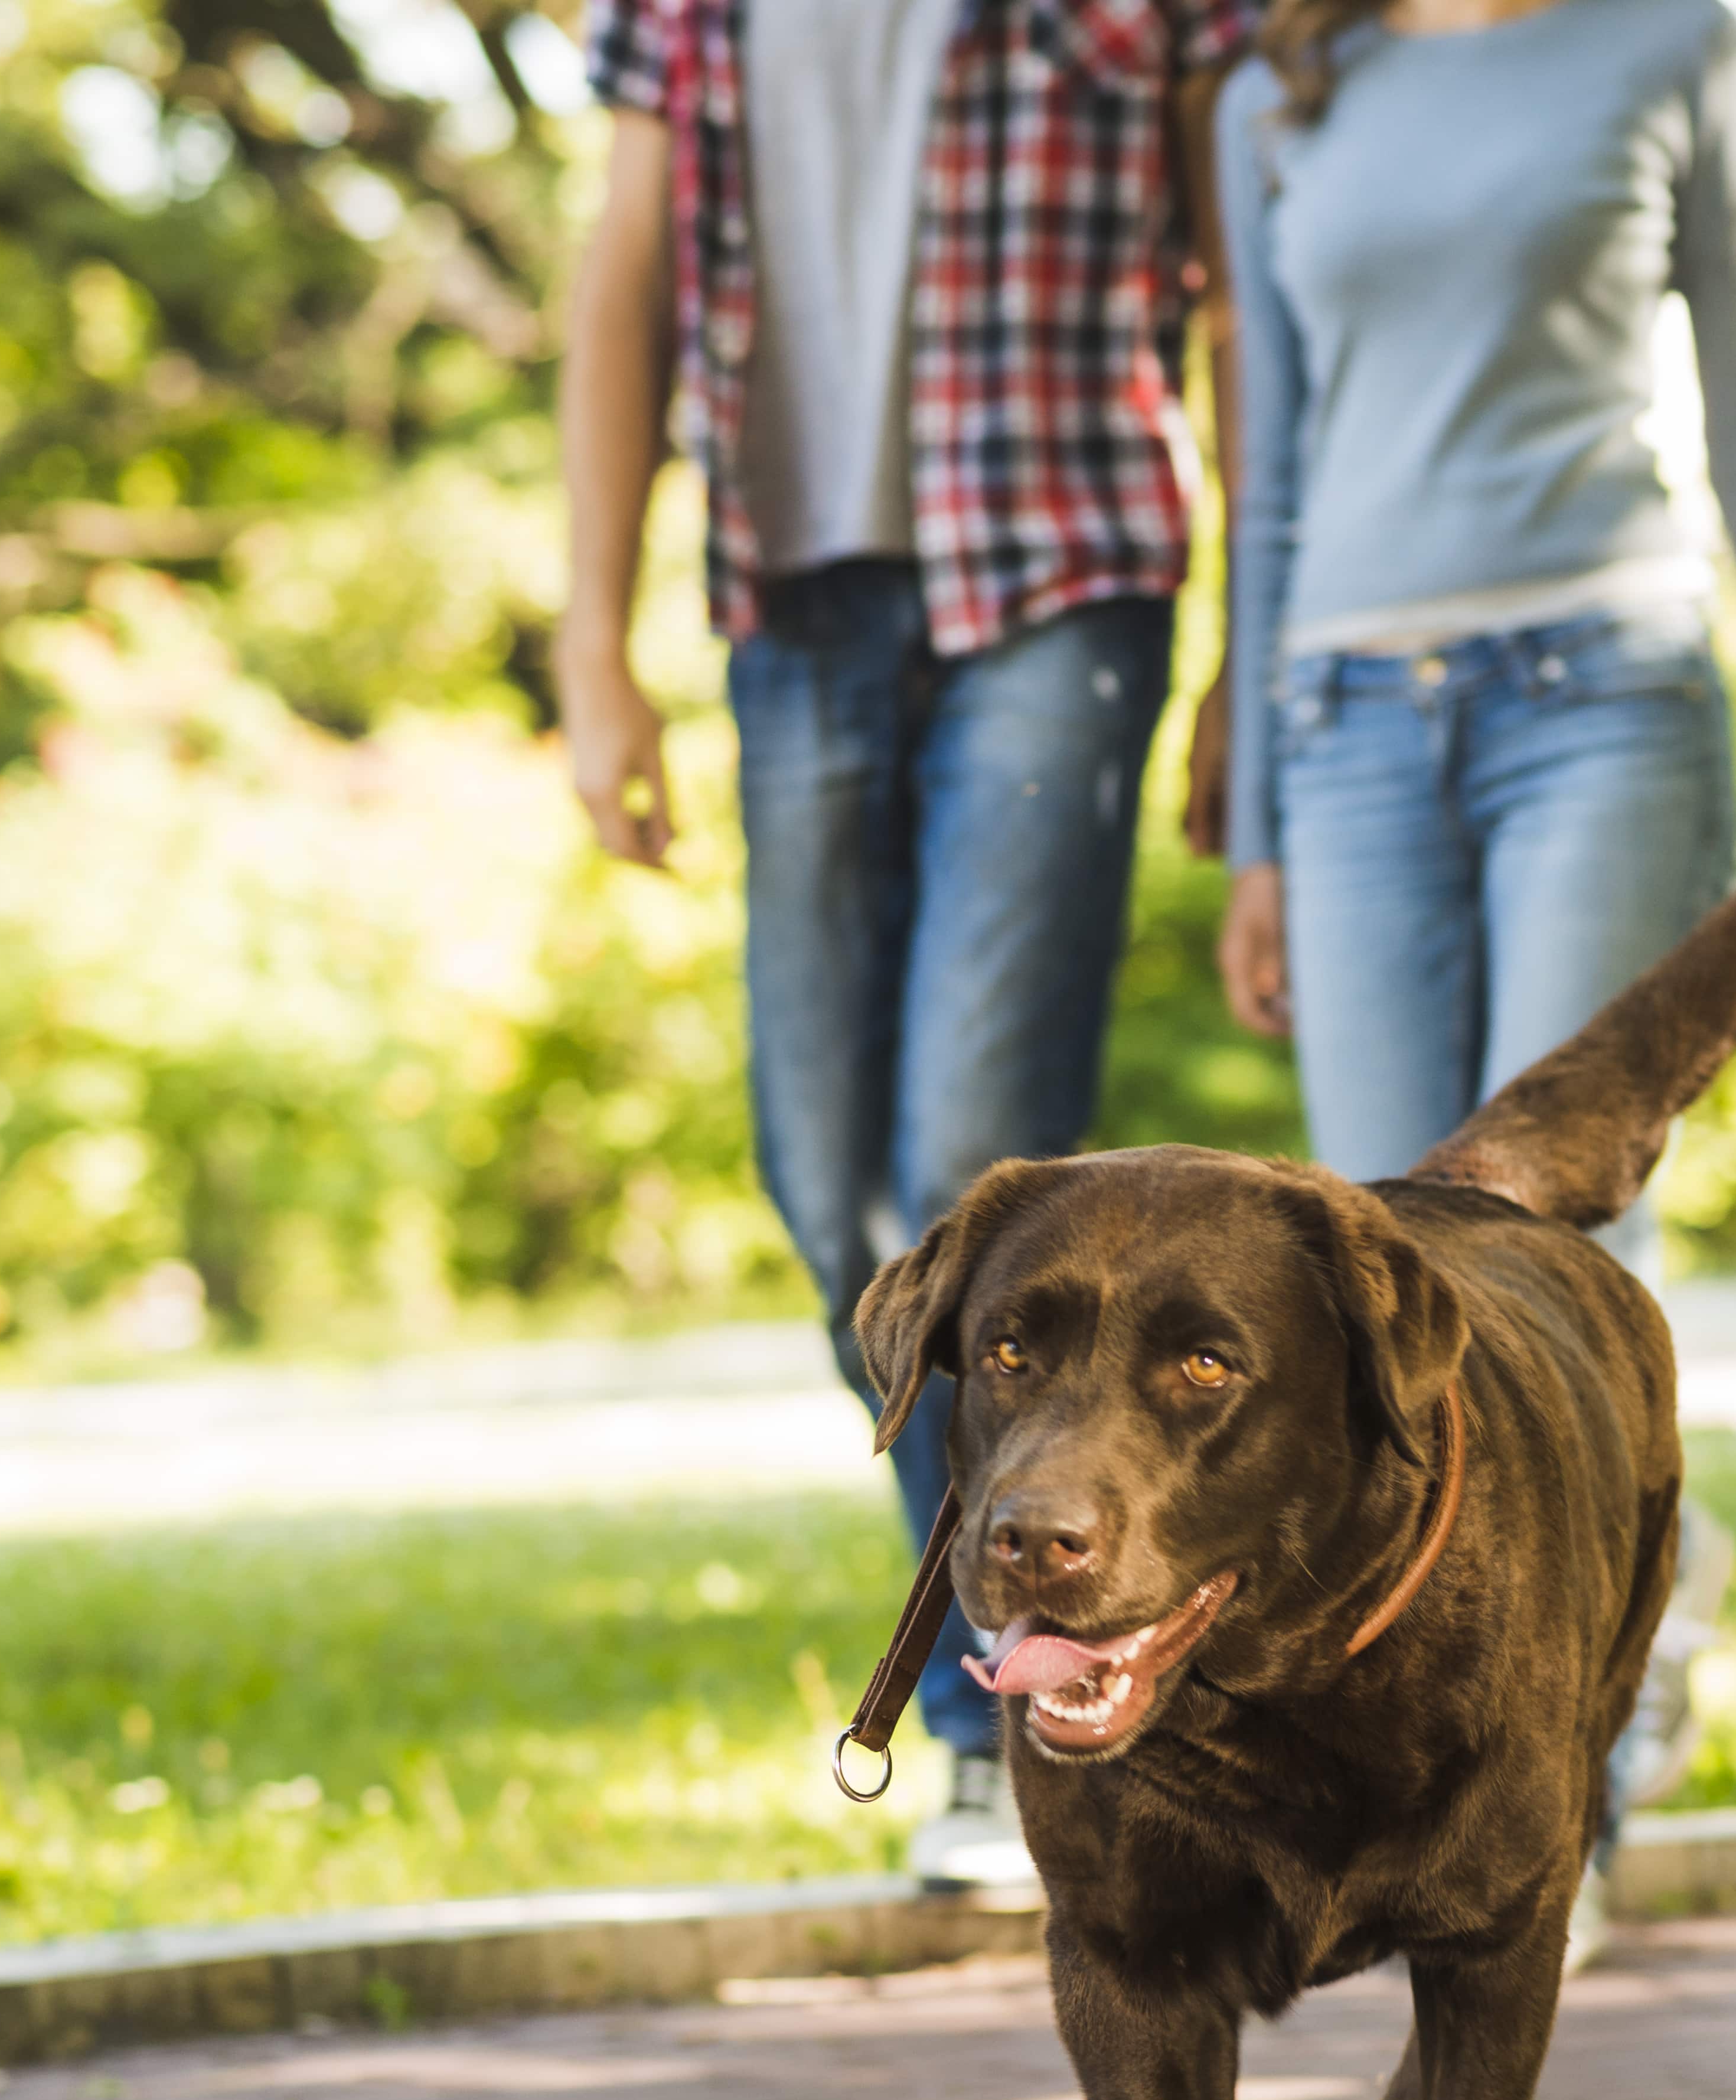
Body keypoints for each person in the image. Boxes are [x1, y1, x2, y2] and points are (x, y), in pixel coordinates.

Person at [1209, 0, 1736, 1945]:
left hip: (1599, 686)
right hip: (1345, 720)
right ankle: (1565, 1663)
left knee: (1556, 1240)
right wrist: (1260, 817)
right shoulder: (1287, 80)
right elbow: (1270, 477)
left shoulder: (1668, 47)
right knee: (1373, 1282)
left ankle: (1559, 1790)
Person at [562, 0, 1249, 1884]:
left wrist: (1248, 656)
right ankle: (1037, 1667)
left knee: (967, 1172)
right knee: (832, 1188)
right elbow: (620, 282)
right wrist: (591, 642)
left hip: (1065, 574)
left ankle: (1000, 1714)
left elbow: (1234, 292)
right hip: (794, 598)